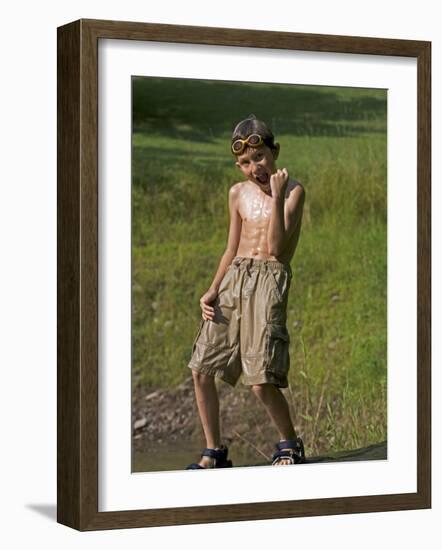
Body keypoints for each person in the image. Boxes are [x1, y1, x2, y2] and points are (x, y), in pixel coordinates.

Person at [186, 115, 306, 469]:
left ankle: (289, 444)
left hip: (269, 280)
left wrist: (279, 194)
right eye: (245, 163)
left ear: (275, 152)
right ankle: (215, 451)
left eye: (260, 158)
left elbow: (276, 248)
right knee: (201, 368)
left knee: (260, 380)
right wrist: (212, 290)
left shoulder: (294, 191)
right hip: (233, 279)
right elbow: (230, 248)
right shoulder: (237, 193)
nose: (254, 168)